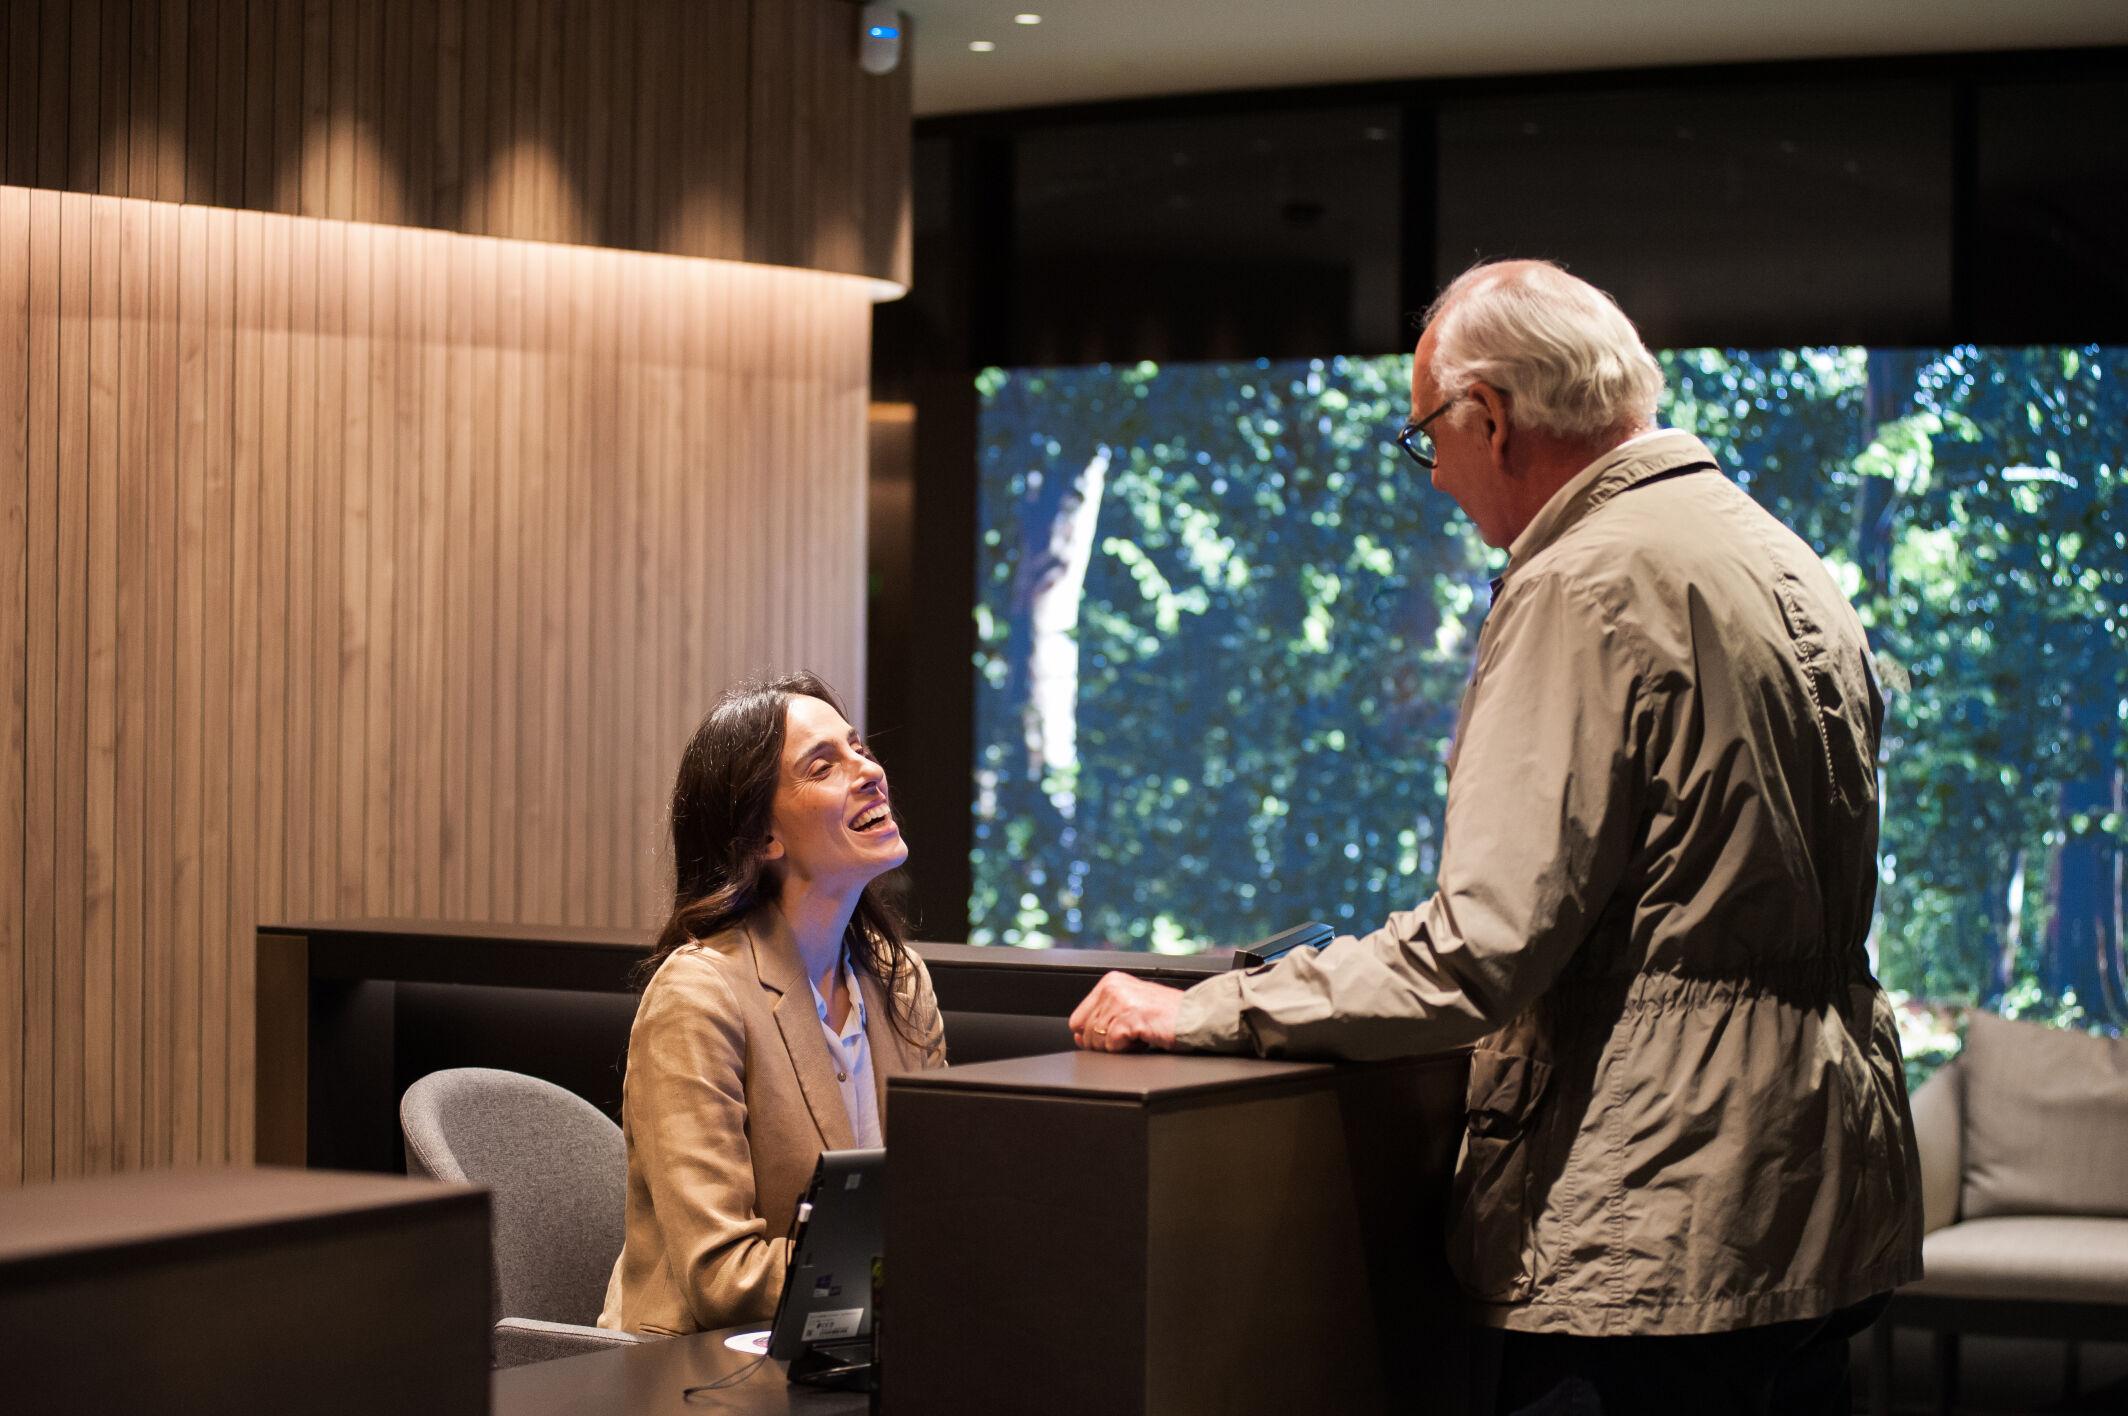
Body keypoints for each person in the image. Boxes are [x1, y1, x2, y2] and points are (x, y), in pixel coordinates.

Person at [1069, 260, 1923, 1412]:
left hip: (1660, 1215)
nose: (1436, 481)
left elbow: (1481, 947)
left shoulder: (1584, 579)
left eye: (1429, 438)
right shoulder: (1779, 556)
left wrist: (1203, 1010)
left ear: (1489, 414)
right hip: (1817, 1191)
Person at [599, 672, 947, 1336]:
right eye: (825, 765)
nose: (870, 771)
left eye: (859, 748)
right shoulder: (697, 996)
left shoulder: (900, 982)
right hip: (694, 1378)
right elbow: (721, 1279)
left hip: (855, 1355)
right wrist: (923, 1267)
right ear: (763, 839)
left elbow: (935, 1203)